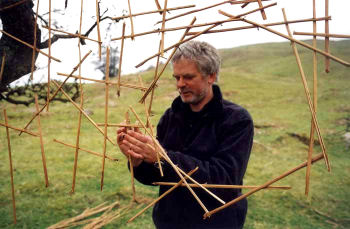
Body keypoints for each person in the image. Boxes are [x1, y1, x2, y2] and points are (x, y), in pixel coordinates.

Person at [117, 41, 254, 229]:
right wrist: (138, 160)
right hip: (169, 222)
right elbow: (158, 177)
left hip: (215, 223)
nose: (180, 84)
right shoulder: (170, 117)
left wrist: (164, 157)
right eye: (177, 77)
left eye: (188, 77)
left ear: (211, 76)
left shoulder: (236, 120)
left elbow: (225, 180)